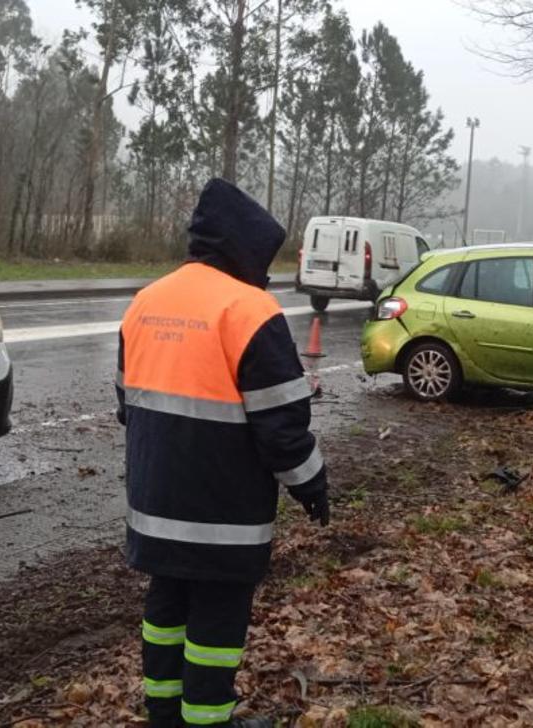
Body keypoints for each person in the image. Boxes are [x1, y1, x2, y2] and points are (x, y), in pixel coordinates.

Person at [116, 178, 330, 727]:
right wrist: (312, 486)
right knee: (216, 622)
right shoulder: (250, 310)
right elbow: (281, 429)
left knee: (166, 608)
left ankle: (163, 712)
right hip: (222, 516)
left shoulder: (146, 301)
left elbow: (127, 402)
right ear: (245, 248)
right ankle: (208, 720)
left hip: (153, 504)